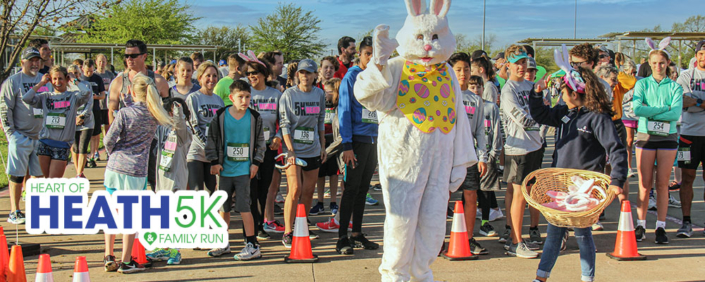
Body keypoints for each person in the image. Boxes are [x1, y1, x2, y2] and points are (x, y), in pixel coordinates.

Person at [529, 56, 627, 282]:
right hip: (561, 186)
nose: (560, 96)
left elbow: (616, 149)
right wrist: (536, 93)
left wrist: (616, 181)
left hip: (584, 188)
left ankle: (587, 278)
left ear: (575, 94)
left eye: (563, 92)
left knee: (583, 234)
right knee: (554, 232)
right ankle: (541, 277)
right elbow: (541, 115)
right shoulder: (565, 112)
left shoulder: (598, 118)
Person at [102, 73, 173, 274]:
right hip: (136, 170)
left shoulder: (124, 113)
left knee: (111, 214)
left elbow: (108, 139)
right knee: (130, 217)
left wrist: (113, 153)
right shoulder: (155, 115)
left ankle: (109, 254)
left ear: (132, 92)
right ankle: (126, 260)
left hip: (115, 167)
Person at [328, 37, 380, 254]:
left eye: (374, 54)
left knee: (362, 189)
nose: (371, 58)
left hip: (373, 140)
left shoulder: (377, 77)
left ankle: (357, 233)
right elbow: (345, 111)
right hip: (355, 141)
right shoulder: (352, 77)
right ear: (359, 54)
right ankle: (342, 237)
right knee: (350, 189)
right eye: (367, 53)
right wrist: (347, 145)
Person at [205, 80, 265, 260]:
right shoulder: (221, 116)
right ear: (231, 98)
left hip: (244, 171)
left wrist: (256, 163)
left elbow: (261, 142)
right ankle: (223, 242)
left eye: (247, 97)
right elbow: (212, 139)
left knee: (245, 207)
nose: (244, 100)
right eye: (240, 97)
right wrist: (214, 161)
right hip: (224, 170)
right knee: (224, 208)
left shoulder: (254, 117)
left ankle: (252, 244)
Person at [632, 38, 683, 244]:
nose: (658, 66)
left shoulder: (675, 87)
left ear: (667, 63)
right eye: (654, 63)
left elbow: (676, 114)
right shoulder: (642, 84)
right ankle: (641, 224)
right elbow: (637, 110)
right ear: (649, 64)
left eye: (661, 63)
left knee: (662, 184)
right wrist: (664, 109)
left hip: (668, 137)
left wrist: (652, 112)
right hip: (645, 137)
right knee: (644, 184)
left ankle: (661, 227)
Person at [500, 45, 544, 258]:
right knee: (519, 194)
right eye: (516, 62)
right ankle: (515, 242)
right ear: (508, 64)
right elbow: (524, 119)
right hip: (518, 148)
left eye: (524, 62)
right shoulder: (508, 90)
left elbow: (544, 108)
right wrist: (544, 117)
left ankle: (520, 237)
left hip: (535, 146)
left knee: (528, 193)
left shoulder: (532, 85)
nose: (521, 66)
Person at [279, 59, 326, 248]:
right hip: (293, 150)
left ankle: (302, 224)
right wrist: (289, 150)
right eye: (302, 72)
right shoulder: (289, 95)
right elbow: (285, 124)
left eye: (309, 73)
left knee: (308, 191)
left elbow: (321, 120)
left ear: (315, 75)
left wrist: (323, 146)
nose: (305, 76)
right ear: (297, 74)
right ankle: (288, 231)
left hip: (312, 149)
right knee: (295, 189)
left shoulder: (319, 94)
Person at [0, 47, 50, 224]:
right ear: (22, 62)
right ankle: (15, 211)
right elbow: (5, 109)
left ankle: (36, 212)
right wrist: (11, 135)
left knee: (38, 176)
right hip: (20, 135)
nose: (35, 63)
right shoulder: (13, 82)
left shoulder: (45, 80)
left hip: (40, 136)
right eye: (31, 60)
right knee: (17, 175)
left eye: (37, 60)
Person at [450, 53, 489, 255]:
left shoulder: (476, 99)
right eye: (458, 69)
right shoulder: (446, 95)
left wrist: (483, 157)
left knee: (471, 195)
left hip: (469, 156)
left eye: (466, 69)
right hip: (448, 155)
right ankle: (438, 239)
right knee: (442, 196)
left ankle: (469, 238)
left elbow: (481, 131)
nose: (463, 73)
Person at [146, 98, 192, 265]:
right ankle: (165, 248)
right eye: (169, 112)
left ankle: (176, 251)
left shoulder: (184, 132)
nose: (170, 115)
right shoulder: (161, 130)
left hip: (177, 181)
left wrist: (178, 112)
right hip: (161, 181)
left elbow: (179, 124)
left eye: (173, 112)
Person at [241, 59, 283, 239]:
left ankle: (262, 223)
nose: (251, 76)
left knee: (265, 189)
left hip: (268, 148)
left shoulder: (276, 94)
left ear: (264, 74)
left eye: (255, 72)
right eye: (248, 73)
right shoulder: (245, 94)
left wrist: (278, 137)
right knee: (250, 188)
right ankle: (254, 227)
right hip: (249, 149)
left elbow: (284, 120)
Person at [23, 66, 90, 178]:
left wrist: (74, 80)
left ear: (66, 79)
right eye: (54, 79)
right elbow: (26, 98)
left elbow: (86, 92)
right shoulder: (45, 97)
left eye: (60, 78)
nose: (57, 82)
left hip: (61, 145)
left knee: (53, 181)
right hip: (45, 143)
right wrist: (41, 83)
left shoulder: (73, 97)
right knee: (47, 181)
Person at [675, 39, 705, 238]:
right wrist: (701, 102)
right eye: (702, 53)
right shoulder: (686, 76)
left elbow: (690, 101)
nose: (704, 57)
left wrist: (695, 102)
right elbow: (681, 101)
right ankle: (686, 222)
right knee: (687, 178)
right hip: (688, 135)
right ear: (696, 55)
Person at [468, 75, 505, 234]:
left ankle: (485, 222)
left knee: (486, 190)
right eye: (472, 87)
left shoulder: (491, 108)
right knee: (469, 191)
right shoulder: (466, 107)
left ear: (484, 88)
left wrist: (494, 153)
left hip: (488, 156)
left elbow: (497, 132)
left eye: (479, 87)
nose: (476, 90)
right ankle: (465, 224)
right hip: (470, 156)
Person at [186, 62, 225, 194]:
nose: (211, 79)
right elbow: (193, 126)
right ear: (200, 77)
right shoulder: (193, 98)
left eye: (214, 76)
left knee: (211, 193)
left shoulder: (219, 100)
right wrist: (207, 146)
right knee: (197, 193)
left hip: (212, 157)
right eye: (208, 75)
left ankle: (208, 216)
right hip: (196, 154)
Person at [310, 76, 341, 217]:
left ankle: (333, 202)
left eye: (329, 91)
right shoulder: (320, 104)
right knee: (320, 174)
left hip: (334, 144)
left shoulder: (338, 106)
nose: (326, 94)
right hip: (321, 143)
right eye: (325, 91)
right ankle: (320, 202)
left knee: (334, 174)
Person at [78, 60, 106, 169]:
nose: (89, 73)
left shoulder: (97, 78)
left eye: (91, 71)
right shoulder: (80, 79)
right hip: (82, 110)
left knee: (95, 134)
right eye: (87, 71)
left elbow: (102, 95)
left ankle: (93, 156)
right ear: (82, 69)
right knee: (83, 135)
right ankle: (83, 156)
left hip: (95, 109)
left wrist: (95, 97)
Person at [68, 65, 95, 178]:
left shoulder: (86, 84)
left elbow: (90, 102)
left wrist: (82, 116)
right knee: (75, 147)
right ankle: (77, 170)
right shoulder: (67, 87)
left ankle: (80, 172)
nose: (76, 75)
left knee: (83, 147)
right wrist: (73, 117)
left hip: (86, 121)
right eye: (72, 73)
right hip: (72, 120)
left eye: (77, 73)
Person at [618, 61, 639, 178]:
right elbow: (622, 98)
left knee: (641, 142)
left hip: (640, 114)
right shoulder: (621, 83)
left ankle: (640, 167)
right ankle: (628, 167)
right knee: (629, 141)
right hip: (627, 114)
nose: (633, 75)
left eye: (635, 72)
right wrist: (632, 93)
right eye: (631, 73)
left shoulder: (639, 81)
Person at [93, 54, 115, 162]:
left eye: (104, 61)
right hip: (97, 106)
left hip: (108, 105)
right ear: (96, 62)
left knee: (108, 128)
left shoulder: (110, 75)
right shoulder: (94, 75)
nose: (102, 64)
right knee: (96, 131)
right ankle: (95, 151)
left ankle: (107, 150)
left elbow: (113, 87)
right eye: (100, 61)